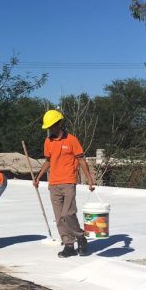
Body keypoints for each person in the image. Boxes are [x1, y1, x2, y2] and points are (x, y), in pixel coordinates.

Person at [32, 109, 95, 258]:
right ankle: (68, 245)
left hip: (68, 182)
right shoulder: (48, 141)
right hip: (53, 184)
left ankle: (80, 237)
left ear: (59, 123)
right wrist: (39, 177)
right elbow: (48, 161)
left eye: (52, 126)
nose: (50, 129)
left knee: (68, 213)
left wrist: (90, 180)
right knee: (59, 217)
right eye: (48, 127)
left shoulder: (72, 140)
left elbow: (81, 160)